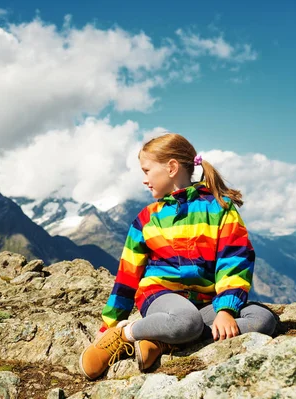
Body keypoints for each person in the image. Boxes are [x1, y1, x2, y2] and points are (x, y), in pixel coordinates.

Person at [79, 133, 277, 380]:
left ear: (171, 168)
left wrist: (226, 309)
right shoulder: (146, 219)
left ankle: (163, 341)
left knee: (263, 320)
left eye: (147, 170)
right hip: (160, 297)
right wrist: (109, 323)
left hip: (206, 302)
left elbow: (235, 260)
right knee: (186, 320)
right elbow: (127, 277)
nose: (144, 180)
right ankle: (125, 334)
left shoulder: (221, 208)